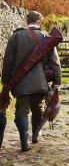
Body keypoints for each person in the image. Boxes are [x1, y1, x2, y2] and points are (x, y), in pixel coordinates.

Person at [1, 11, 62, 152]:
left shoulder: (16, 36)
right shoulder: (47, 38)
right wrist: (57, 81)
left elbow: (7, 61)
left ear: (26, 20)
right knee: (37, 108)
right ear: (40, 21)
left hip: (20, 83)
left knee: (21, 111)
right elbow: (55, 62)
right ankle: (35, 135)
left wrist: (5, 81)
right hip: (41, 83)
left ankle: (24, 142)